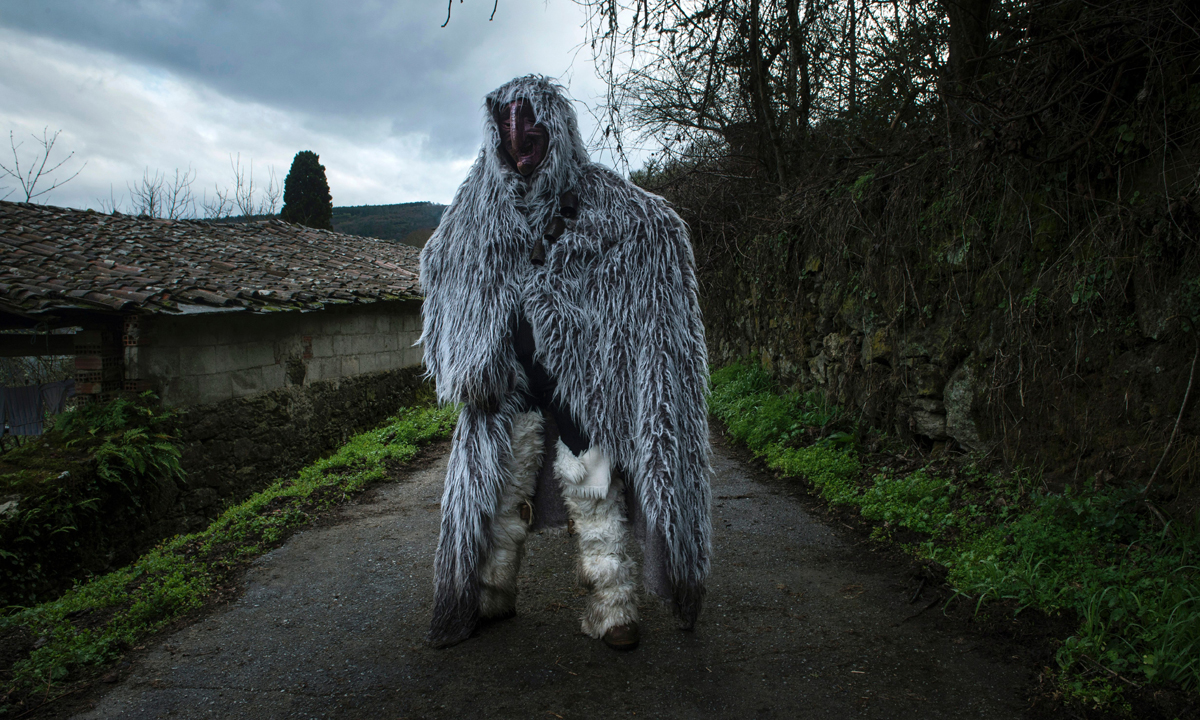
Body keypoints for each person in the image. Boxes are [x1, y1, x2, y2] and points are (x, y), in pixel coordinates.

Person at [419, 75, 712, 650]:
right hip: (508, 374)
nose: (518, 140)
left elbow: (650, 229)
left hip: (580, 375)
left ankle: (614, 603)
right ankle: (489, 592)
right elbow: (440, 265)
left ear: (555, 130)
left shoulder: (601, 199)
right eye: (507, 129)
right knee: (500, 477)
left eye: (530, 127)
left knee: (594, 476)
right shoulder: (478, 202)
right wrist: (473, 349)